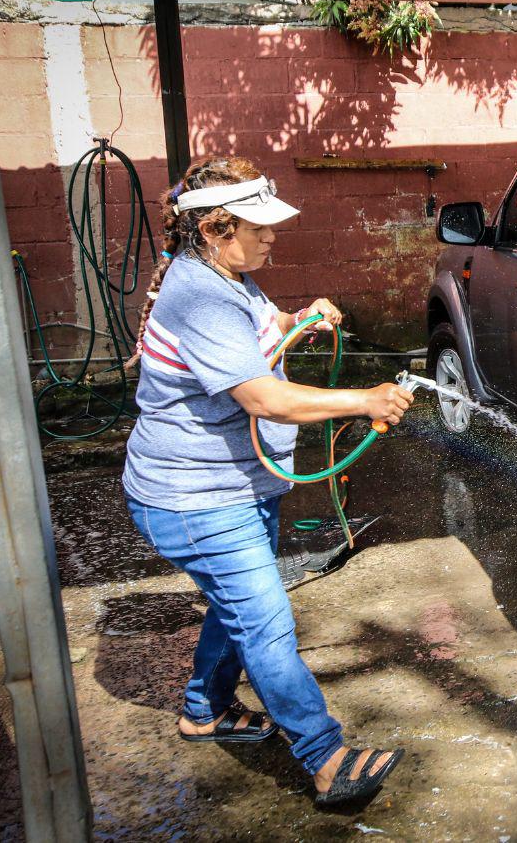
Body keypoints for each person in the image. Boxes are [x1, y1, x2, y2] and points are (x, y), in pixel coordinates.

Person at [122, 156, 414, 806]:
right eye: (258, 227)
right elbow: (263, 397)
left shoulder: (227, 275)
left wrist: (297, 319)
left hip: (236, 488)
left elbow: (256, 333)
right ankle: (326, 755)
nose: (272, 236)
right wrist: (362, 400)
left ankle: (206, 708)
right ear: (215, 229)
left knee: (239, 606)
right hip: (196, 501)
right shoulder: (198, 292)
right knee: (265, 623)